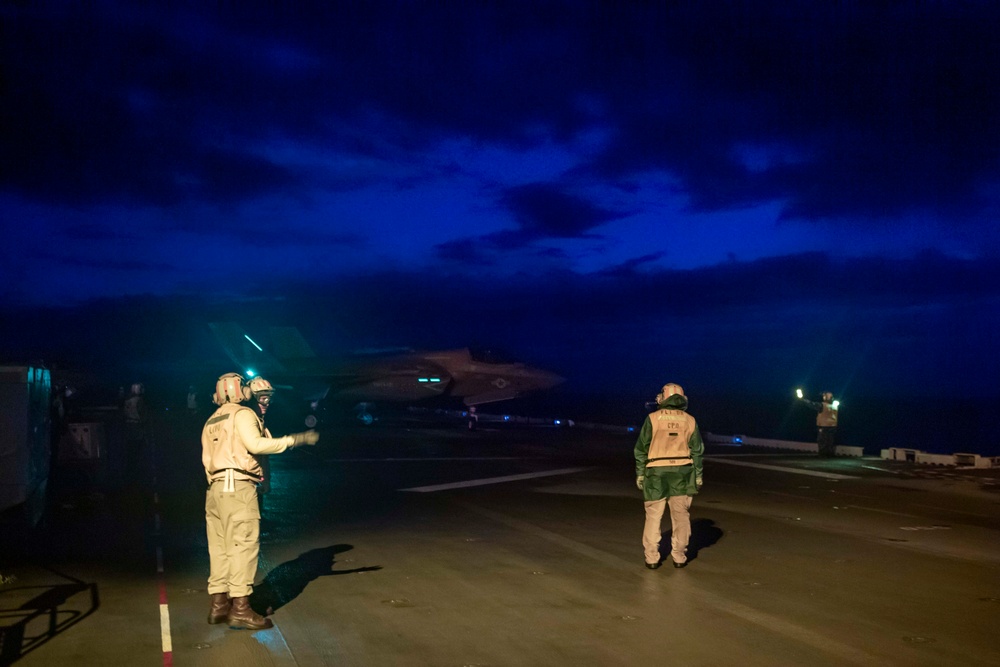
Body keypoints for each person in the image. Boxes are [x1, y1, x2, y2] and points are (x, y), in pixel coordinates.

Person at [202, 372, 320, 630]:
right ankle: (241, 610)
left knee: (220, 548)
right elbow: (256, 445)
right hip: (237, 488)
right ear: (238, 390)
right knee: (243, 547)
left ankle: (219, 605)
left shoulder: (212, 419)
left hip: (215, 490)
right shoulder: (242, 414)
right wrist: (296, 439)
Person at [634, 383, 704, 570]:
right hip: (683, 472)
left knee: (653, 516)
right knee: (681, 516)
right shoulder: (690, 420)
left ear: (663, 398)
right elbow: (697, 451)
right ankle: (679, 557)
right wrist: (698, 475)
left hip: (655, 472)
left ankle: (652, 558)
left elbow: (641, 448)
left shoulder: (653, 418)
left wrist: (640, 473)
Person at [247, 376, 275, 513]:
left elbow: (264, 457)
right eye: (262, 398)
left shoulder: (260, 423)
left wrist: (266, 479)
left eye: (268, 398)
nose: (266, 402)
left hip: (256, 482)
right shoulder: (246, 422)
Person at [799, 390, 839, 457]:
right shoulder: (835, 405)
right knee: (830, 440)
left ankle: (823, 454)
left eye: (824, 396)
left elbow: (811, 404)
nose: (823, 397)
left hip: (823, 426)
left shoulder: (822, 405)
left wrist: (802, 399)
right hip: (833, 426)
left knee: (822, 440)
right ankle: (830, 454)